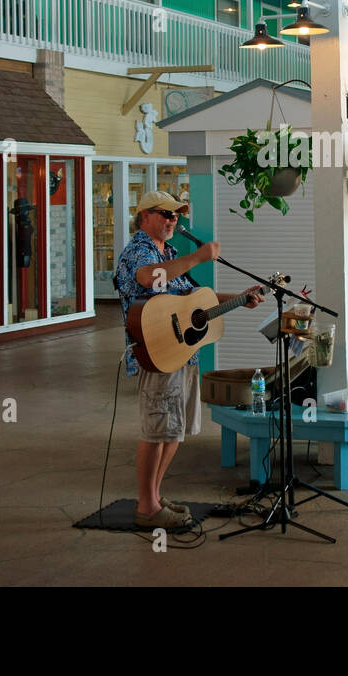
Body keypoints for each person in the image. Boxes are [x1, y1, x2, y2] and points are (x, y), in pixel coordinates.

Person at [114, 190, 264, 529]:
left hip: (181, 353)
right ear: (145, 217)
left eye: (175, 216)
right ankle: (147, 507)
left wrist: (240, 298)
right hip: (158, 354)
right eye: (165, 214)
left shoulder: (169, 252)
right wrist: (199, 257)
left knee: (172, 431)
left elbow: (193, 301)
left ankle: (152, 496)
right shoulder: (139, 250)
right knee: (157, 430)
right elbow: (149, 278)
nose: (171, 220)